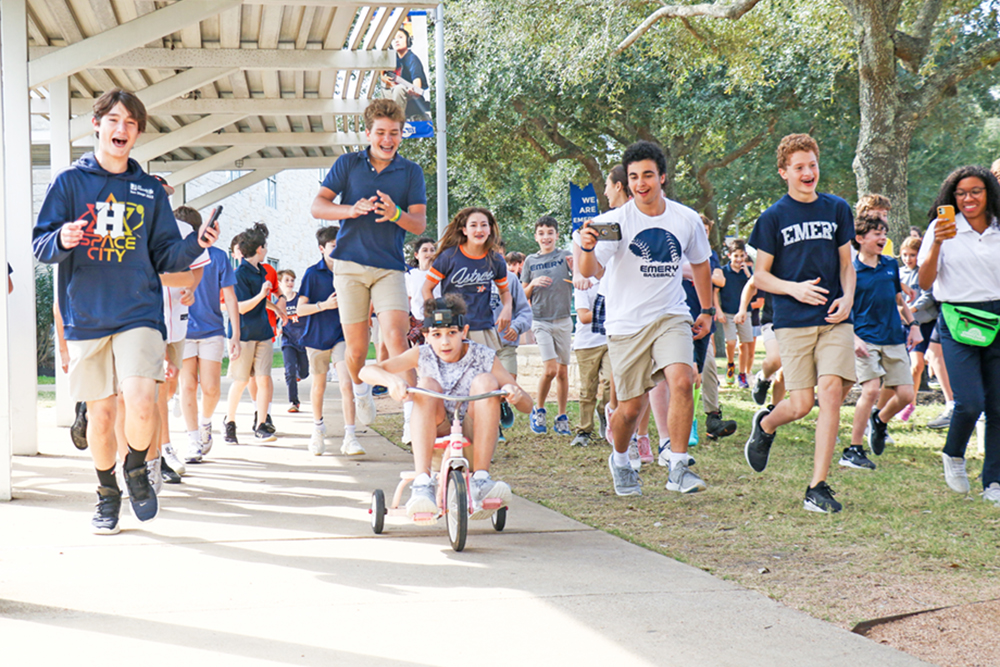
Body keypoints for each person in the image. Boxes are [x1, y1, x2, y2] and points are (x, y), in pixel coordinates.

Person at [32, 88, 220, 534]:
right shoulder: (69, 184)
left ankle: (136, 467)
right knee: (101, 415)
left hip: (139, 311)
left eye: (130, 123)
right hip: (87, 314)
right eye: (114, 120)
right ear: (96, 124)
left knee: (140, 404)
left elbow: (166, 256)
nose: (121, 129)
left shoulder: (149, 191)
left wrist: (197, 243)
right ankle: (106, 492)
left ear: (137, 133)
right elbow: (40, 245)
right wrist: (63, 239)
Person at [578, 140, 714, 497]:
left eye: (648, 175)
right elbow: (590, 272)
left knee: (683, 381)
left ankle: (679, 466)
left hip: (671, 314)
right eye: (635, 177)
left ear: (663, 177)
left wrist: (707, 309)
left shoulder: (685, 218)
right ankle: (621, 460)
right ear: (628, 181)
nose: (642, 183)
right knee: (630, 409)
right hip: (626, 324)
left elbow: (701, 263)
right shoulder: (614, 222)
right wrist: (588, 247)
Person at [744, 133, 856, 514]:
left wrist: (848, 298)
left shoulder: (838, 208)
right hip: (792, 321)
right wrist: (794, 289)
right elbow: (760, 276)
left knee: (830, 394)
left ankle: (817, 487)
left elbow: (846, 265)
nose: (808, 173)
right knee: (801, 404)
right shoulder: (773, 218)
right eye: (799, 167)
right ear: (784, 173)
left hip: (834, 318)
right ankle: (766, 425)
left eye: (812, 165)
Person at [310, 99, 427, 441]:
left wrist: (394, 214)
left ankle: (411, 415)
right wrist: (350, 209)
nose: (387, 139)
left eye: (394, 133)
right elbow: (318, 205)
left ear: (401, 134)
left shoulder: (410, 172)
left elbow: (418, 224)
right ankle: (361, 390)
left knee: (395, 336)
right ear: (368, 133)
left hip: (389, 266)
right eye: (381, 133)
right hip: (349, 267)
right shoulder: (348, 164)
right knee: (357, 351)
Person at [359, 295, 533, 519]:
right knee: (426, 384)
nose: (444, 342)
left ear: (464, 331)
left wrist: (514, 393)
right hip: (435, 436)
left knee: (486, 381)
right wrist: (392, 382)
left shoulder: (483, 356)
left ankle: (480, 479)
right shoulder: (423, 354)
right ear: (426, 335)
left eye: (452, 333)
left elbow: (527, 406)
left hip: (473, 438)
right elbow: (365, 372)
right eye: (436, 335)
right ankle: (422, 484)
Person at [918, 165, 1000, 503]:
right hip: (957, 320)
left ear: (989, 193)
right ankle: (953, 454)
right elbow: (924, 282)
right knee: (969, 402)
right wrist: (938, 243)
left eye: (976, 191)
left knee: (997, 407)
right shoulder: (941, 228)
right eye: (961, 193)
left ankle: (993, 482)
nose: (968, 198)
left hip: (997, 317)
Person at [844, 212, 922, 470]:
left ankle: (880, 420)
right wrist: (853, 337)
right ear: (860, 238)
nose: (883, 238)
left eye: (884, 233)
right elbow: (844, 309)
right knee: (871, 390)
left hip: (893, 337)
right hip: (865, 339)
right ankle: (854, 448)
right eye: (877, 234)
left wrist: (913, 325)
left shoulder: (889, 265)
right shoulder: (850, 270)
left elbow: (898, 299)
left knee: (906, 393)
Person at [295, 226, 363, 457]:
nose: (339, 248)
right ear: (322, 248)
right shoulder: (313, 273)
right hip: (316, 337)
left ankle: (351, 436)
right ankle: (318, 430)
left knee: (346, 384)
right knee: (318, 387)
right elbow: (300, 309)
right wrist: (324, 305)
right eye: (334, 245)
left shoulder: (351, 271)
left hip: (342, 335)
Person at [180, 216, 241, 465]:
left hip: (211, 331)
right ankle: (193, 438)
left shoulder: (217, 257)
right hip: (181, 332)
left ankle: (205, 422)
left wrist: (234, 334)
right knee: (187, 387)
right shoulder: (171, 256)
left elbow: (230, 297)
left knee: (211, 389)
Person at [423, 207, 512, 352]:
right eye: (473, 225)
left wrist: (507, 308)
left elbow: (505, 291)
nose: (479, 230)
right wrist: (435, 317)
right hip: (454, 328)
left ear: (490, 229)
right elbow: (426, 288)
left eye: (484, 225)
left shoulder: (496, 260)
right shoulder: (449, 257)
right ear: (464, 230)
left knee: (485, 374)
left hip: (482, 327)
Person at [224, 226, 279, 444]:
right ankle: (230, 422)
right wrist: (262, 294)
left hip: (263, 332)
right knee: (241, 380)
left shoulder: (261, 271)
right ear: (259, 249)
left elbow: (260, 299)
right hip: (244, 334)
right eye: (265, 246)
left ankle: (261, 424)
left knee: (264, 378)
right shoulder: (239, 274)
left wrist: (278, 310)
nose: (266, 249)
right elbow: (241, 307)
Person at [523, 216, 574, 436]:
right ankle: (539, 409)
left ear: (556, 235)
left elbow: (581, 278)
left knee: (562, 372)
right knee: (550, 369)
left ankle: (561, 416)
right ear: (536, 237)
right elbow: (522, 295)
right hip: (540, 320)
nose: (546, 237)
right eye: (541, 233)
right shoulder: (530, 262)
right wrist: (533, 283)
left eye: (550, 232)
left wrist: (576, 270)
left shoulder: (565, 256)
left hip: (563, 319)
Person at [897, 236, 937, 421]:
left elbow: (928, 296)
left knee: (922, 363)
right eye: (905, 255)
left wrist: (910, 310)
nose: (908, 259)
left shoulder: (925, 271)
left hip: (925, 323)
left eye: (912, 255)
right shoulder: (898, 274)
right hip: (905, 325)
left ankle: (909, 403)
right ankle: (907, 404)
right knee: (914, 366)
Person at [570, 276, 611, 447]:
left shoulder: (614, 277)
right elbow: (584, 316)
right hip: (587, 343)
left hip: (611, 339)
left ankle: (605, 413)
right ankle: (584, 430)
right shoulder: (583, 283)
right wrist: (616, 309)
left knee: (612, 381)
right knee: (588, 388)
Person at [716, 239, 754, 388]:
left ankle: (742, 375)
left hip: (745, 313)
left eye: (741, 256)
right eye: (735, 256)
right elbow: (715, 292)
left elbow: (754, 290)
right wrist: (718, 310)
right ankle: (730, 364)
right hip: (728, 312)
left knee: (744, 344)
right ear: (729, 255)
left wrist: (747, 274)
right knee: (731, 342)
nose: (739, 259)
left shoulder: (748, 272)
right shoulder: (723, 271)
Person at [379, 28, 430, 121]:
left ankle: (396, 121)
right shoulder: (393, 58)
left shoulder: (412, 60)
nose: (397, 40)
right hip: (396, 97)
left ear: (408, 40)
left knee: (399, 88)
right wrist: (383, 78)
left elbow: (417, 87)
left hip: (411, 100)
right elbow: (382, 70)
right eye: (394, 39)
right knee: (383, 91)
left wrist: (413, 91)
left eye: (400, 37)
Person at [276, 269, 308, 413]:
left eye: (292, 280)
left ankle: (299, 376)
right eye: (287, 280)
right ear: (279, 283)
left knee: (304, 372)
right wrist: (277, 329)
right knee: (289, 371)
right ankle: (294, 402)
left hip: (302, 340)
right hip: (288, 341)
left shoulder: (300, 299)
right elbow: (274, 320)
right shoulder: (278, 303)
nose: (290, 283)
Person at [405, 236, 436, 345]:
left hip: (437, 320)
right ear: (416, 255)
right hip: (418, 320)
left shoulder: (441, 274)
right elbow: (408, 299)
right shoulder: (410, 276)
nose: (429, 253)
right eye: (425, 250)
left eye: (432, 250)